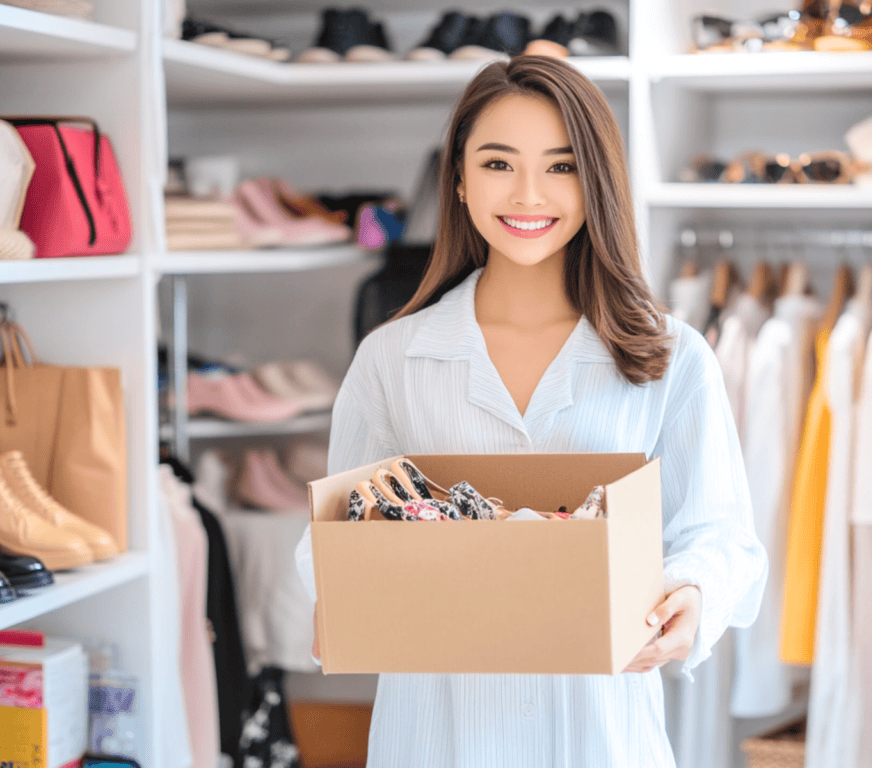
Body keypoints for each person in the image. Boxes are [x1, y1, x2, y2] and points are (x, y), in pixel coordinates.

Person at [295, 55, 768, 767]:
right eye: (496, 163)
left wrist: (693, 595)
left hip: (603, 740)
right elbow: (337, 533)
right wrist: (336, 593)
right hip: (436, 738)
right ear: (457, 178)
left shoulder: (673, 355)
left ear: (595, 180)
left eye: (560, 166)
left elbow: (722, 534)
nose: (526, 194)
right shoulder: (390, 360)